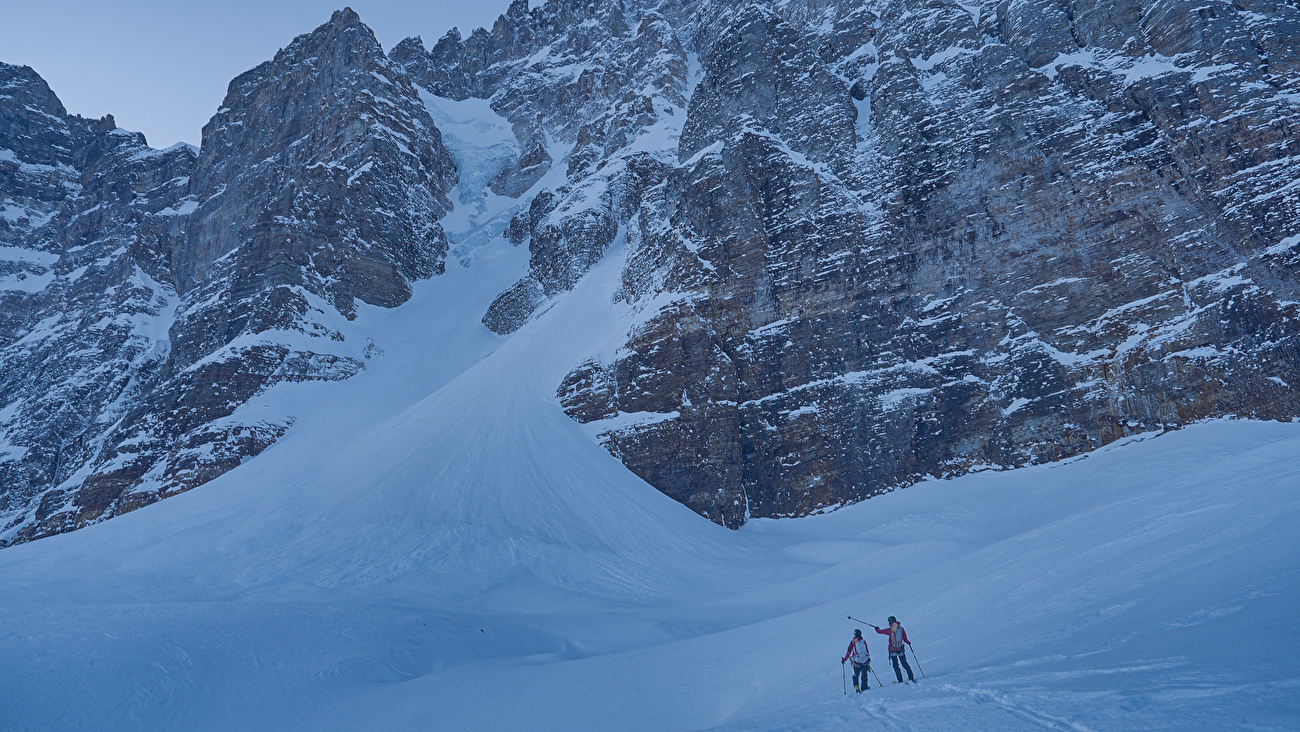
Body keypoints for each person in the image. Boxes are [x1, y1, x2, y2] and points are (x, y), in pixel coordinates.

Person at [875, 616, 914, 683]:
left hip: (893, 650)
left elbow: (881, 632)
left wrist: (877, 629)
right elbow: (905, 639)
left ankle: (900, 680)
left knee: (896, 666)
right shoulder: (901, 629)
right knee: (904, 663)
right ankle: (911, 677)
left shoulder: (891, 630)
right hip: (901, 649)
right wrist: (908, 643)